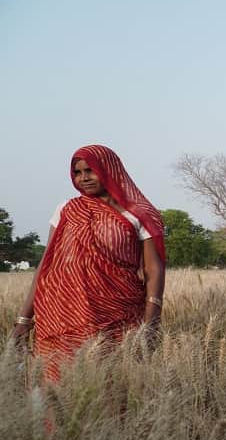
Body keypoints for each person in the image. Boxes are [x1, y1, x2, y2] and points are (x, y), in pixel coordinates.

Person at [10, 145, 166, 383]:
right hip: (61, 314)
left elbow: (153, 269)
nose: (83, 178)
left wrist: (152, 320)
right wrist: (24, 320)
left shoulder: (137, 214)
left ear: (109, 169)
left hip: (117, 314)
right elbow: (47, 263)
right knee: (58, 389)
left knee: (112, 387)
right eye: (77, 172)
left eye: (90, 171)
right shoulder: (67, 210)